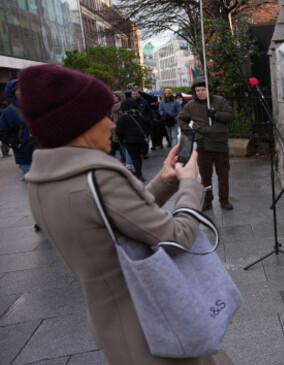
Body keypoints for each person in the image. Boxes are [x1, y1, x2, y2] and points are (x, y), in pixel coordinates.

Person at [21, 64, 233, 365]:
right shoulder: (99, 177)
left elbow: (118, 220)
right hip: (155, 323)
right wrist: (189, 184)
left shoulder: (42, 183)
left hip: (114, 324)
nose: (111, 125)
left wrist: (164, 181)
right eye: (103, 117)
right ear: (77, 124)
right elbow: (178, 237)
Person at [178, 77, 234, 211]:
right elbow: (182, 119)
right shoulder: (190, 105)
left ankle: (224, 200)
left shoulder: (220, 101)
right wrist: (189, 130)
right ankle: (207, 200)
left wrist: (215, 114)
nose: (200, 93)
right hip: (203, 144)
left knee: (223, 174)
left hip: (220, 143)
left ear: (208, 90)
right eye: (197, 90)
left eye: (203, 90)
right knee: (205, 175)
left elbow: (230, 116)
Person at [0, 79, 35, 176]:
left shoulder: (36, 106)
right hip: (25, 157)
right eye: (19, 89)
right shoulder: (8, 113)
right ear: (12, 93)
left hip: (44, 155)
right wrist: (16, 144)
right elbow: (2, 133)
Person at [116, 98, 150, 182]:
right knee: (138, 156)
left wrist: (121, 139)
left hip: (128, 140)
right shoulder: (139, 115)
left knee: (132, 156)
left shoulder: (123, 117)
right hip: (140, 139)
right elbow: (146, 126)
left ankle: (137, 173)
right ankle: (139, 173)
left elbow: (119, 130)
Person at [130, 90, 153, 157]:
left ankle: (144, 152)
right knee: (136, 139)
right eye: (133, 94)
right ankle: (139, 151)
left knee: (144, 138)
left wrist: (146, 119)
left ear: (139, 94)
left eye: (136, 94)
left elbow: (149, 112)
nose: (135, 95)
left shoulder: (144, 102)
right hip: (134, 124)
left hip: (144, 124)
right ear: (131, 95)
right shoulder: (130, 103)